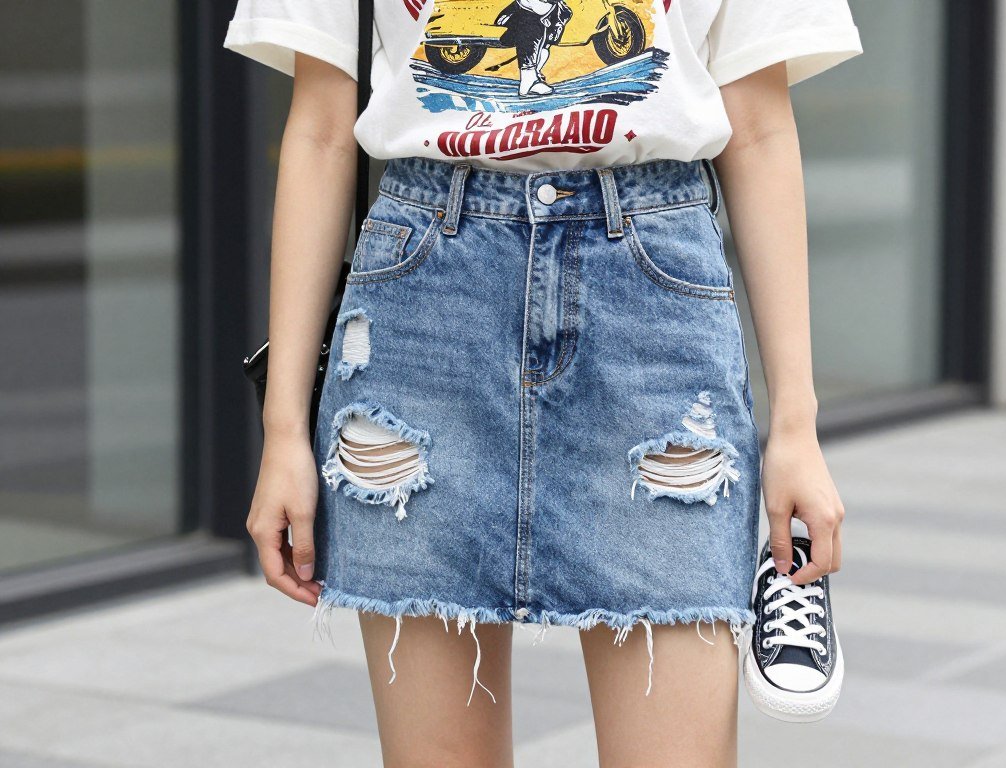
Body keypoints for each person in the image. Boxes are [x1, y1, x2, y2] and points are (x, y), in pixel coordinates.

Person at [225, 0, 861, 764]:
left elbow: (759, 130)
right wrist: (285, 429)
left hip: (653, 309)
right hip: (427, 307)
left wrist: (796, 423)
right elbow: (322, 132)